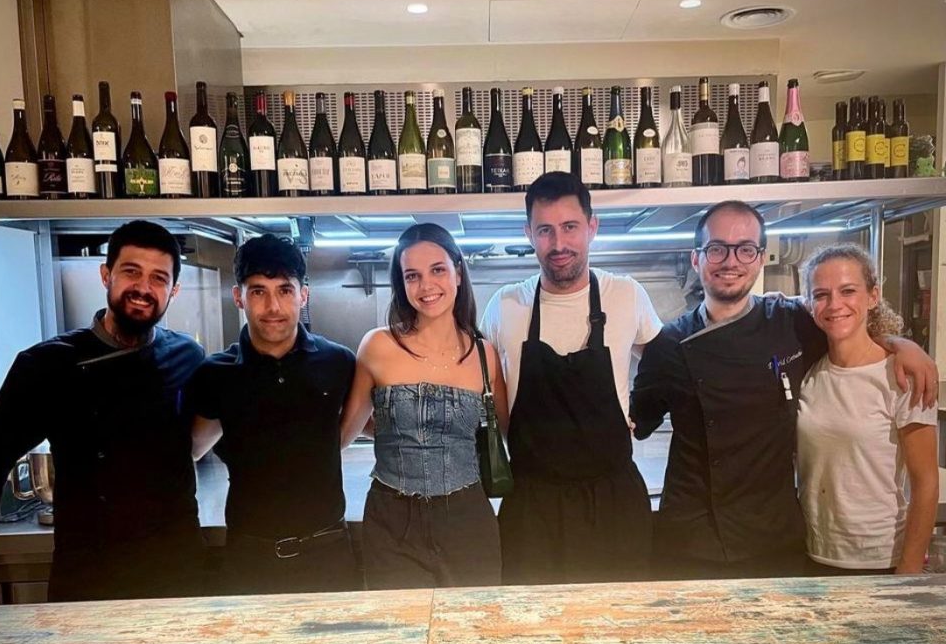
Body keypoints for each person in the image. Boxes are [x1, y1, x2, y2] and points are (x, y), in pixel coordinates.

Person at [631, 200, 938, 580]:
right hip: (691, 539)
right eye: (717, 249)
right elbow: (637, 421)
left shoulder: (792, 323)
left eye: (745, 249)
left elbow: (846, 326)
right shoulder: (668, 344)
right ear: (697, 259)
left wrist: (900, 344)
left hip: (775, 540)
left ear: (760, 258)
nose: (731, 261)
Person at [0, 220, 206, 605]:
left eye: (158, 278)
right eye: (131, 272)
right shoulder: (48, 364)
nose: (143, 288)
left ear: (173, 290)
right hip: (90, 574)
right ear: (106, 275)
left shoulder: (188, 356)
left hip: (178, 573)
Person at [480, 172, 662, 585]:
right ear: (528, 233)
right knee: (531, 619)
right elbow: (482, 386)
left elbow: (663, 364)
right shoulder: (505, 305)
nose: (558, 244)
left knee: (618, 619)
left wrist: (642, 415)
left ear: (592, 227)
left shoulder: (626, 294)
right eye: (545, 230)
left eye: (570, 227)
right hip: (531, 507)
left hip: (614, 504)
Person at [185, 235, 358, 595]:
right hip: (250, 556)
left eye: (284, 290)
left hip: (328, 551)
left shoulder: (338, 361)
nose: (273, 306)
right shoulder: (215, 374)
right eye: (258, 291)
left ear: (303, 295)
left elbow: (357, 426)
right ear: (238, 297)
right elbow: (194, 448)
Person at [340, 223, 508, 589]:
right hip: (391, 519)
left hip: (468, 520)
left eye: (437, 270)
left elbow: (510, 433)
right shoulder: (378, 346)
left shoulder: (485, 355)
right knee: (398, 622)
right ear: (401, 284)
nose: (426, 286)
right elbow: (344, 434)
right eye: (412, 276)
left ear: (458, 273)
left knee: (474, 620)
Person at [797, 243, 939, 575]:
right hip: (812, 554)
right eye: (821, 295)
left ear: (873, 296)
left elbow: (926, 483)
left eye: (848, 291)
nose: (835, 304)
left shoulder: (902, 377)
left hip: (880, 559)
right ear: (809, 304)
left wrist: (908, 572)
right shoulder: (807, 373)